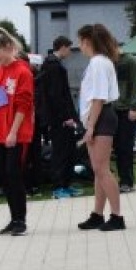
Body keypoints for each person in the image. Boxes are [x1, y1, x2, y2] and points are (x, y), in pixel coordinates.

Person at [75, 23, 126, 231]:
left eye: (81, 41)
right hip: (99, 117)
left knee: (102, 169)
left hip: (101, 117)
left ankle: (117, 216)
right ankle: (97, 213)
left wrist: (91, 127)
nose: (80, 46)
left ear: (87, 41)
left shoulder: (97, 62)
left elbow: (98, 98)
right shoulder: (101, 61)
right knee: (98, 170)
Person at [0, 29, 35, 237]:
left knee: (14, 175)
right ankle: (13, 217)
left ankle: (20, 219)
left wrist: (13, 132)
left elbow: (24, 104)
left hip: (15, 133)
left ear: (8, 48)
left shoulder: (23, 72)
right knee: (2, 175)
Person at [37, 36, 82, 199]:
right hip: (59, 119)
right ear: (62, 47)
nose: (70, 52)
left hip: (61, 117)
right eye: (69, 48)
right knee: (61, 152)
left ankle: (66, 184)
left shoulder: (53, 65)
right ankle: (58, 187)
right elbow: (56, 95)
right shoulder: (53, 66)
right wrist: (65, 116)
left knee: (69, 150)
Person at [111, 45, 136, 194]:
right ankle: (120, 179)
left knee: (125, 147)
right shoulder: (108, 61)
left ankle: (127, 181)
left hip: (126, 109)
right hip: (112, 109)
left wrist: (134, 107)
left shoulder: (129, 61)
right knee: (116, 147)